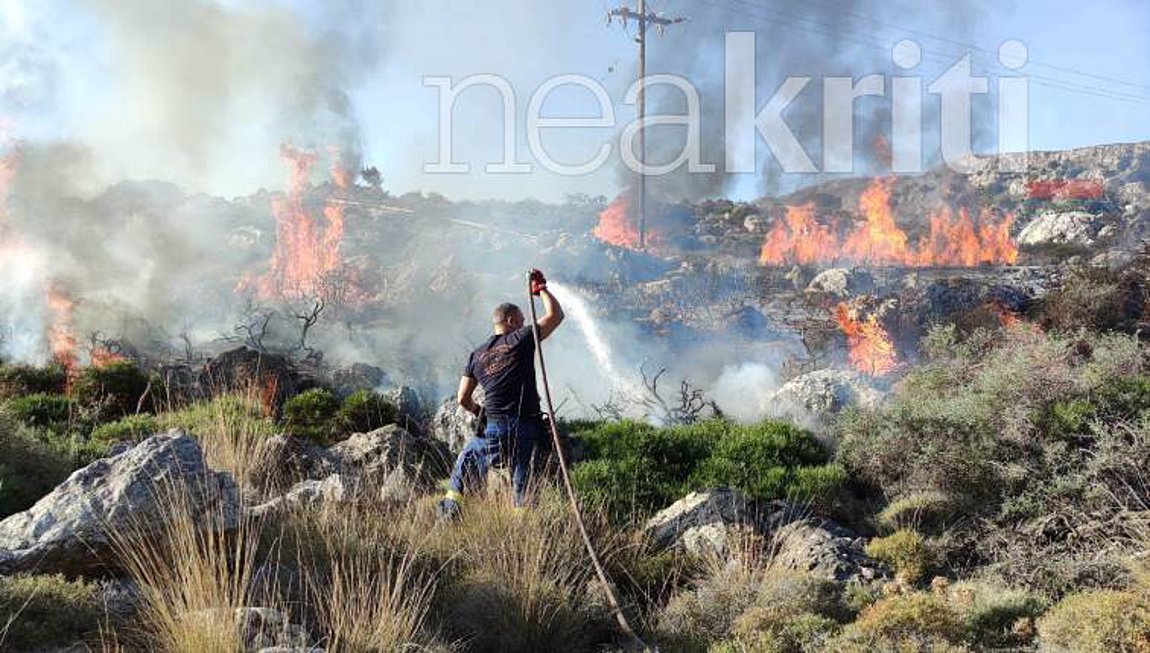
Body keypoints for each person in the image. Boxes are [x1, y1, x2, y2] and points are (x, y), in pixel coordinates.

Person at [437, 269, 564, 520]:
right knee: (522, 480)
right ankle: (523, 529)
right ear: (510, 322)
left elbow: (463, 398)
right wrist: (541, 289)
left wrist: (480, 413)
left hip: (494, 427)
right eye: (521, 318)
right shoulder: (521, 338)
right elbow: (555, 315)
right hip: (525, 427)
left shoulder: (477, 354)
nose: (524, 321)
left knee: (469, 456)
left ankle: (449, 515)